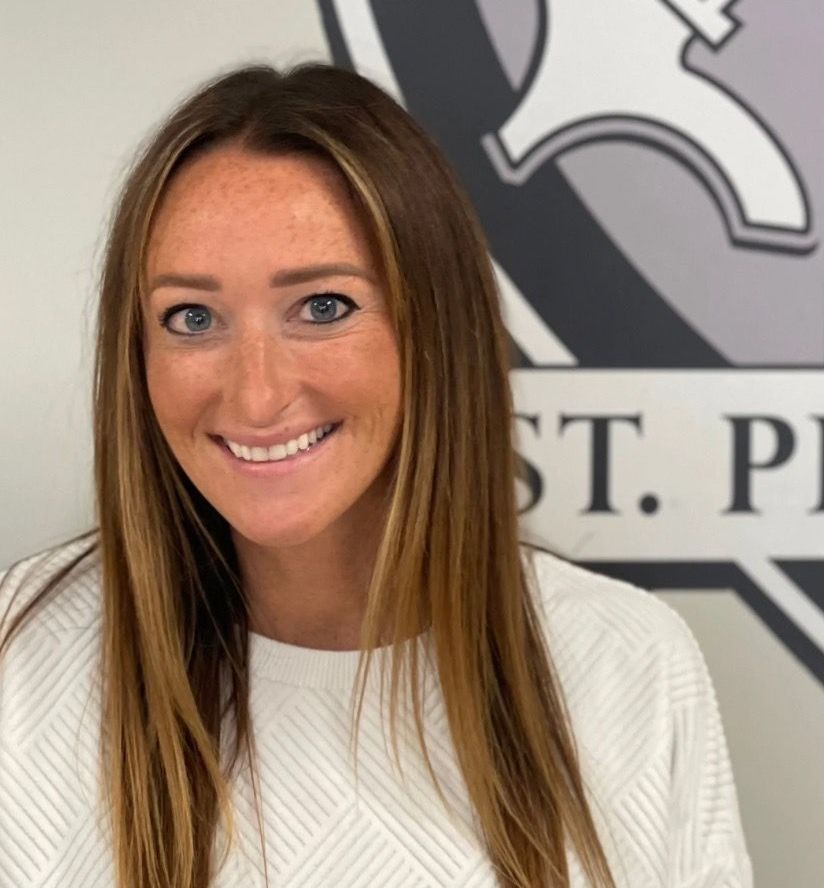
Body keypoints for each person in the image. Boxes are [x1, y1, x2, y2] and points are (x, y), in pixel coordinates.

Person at [0, 63, 752, 888]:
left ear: (437, 327)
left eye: (323, 306)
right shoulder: (23, 659)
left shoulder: (625, 662)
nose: (257, 393)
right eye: (192, 318)